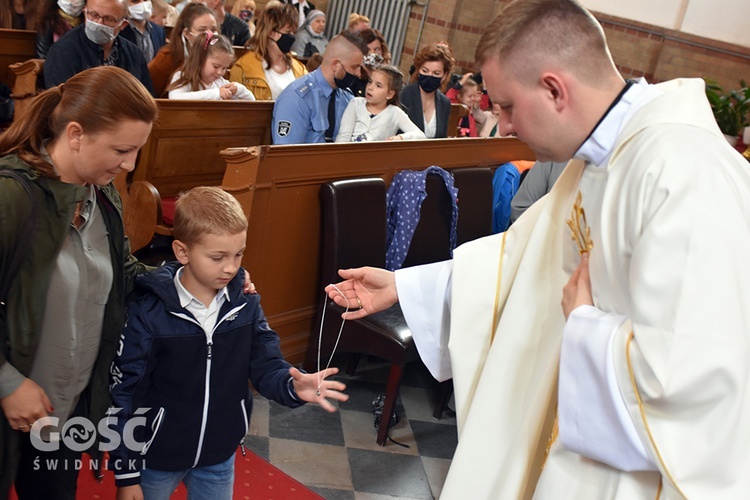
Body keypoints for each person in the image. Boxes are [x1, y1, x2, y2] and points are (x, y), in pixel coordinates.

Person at [325, 0, 750, 498]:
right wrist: (405, 286)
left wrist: (587, 327)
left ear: (554, 90)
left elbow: (697, 376)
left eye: (506, 106)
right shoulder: (597, 162)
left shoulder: (686, 174)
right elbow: (518, 263)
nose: (502, 126)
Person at [109, 186, 347, 499]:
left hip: (218, 453)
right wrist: (127, 474)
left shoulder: (245, 305)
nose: (231, 268)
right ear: (182, 252)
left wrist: (292, 386)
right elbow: (125, 392)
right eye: (217, 257)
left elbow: (266, 363)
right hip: (156, 455)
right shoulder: (149, 312)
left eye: (238, 255)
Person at [0, 66, 157, 499]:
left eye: (136, 151)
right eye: (122, 149)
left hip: (64, 412)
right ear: (75, 134)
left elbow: (123, 275)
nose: (129, 164)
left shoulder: (102, 194)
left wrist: (194, 280)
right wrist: (8, 383)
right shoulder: (11, 197)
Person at [271, 30, 366, 144]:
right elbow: (287, 155)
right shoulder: (297, 98)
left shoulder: (346, 97)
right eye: (354, 67)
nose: (359, 74)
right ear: (336, 64)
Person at [43, 0, 155, 95]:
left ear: (123, 24)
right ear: (84, 12)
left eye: (108, 19)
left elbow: (147, 98)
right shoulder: (63, 50)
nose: (99, 22)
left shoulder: (134, 54)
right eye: (93, 15)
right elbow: (61, 102)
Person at [228, 2, 306, 100]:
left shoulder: (300, 70)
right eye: (288, 32)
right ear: (270, 32)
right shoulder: (243, 69)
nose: (292, 37)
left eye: (293, 32)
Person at [335, 65, 424, 142]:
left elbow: (420, 135)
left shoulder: (395, 113)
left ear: (390, 94)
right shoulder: (355, 103)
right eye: (370, 82)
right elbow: (344, 135)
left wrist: (401, 137)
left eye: (378, 86)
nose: (370, 88)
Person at [148, 2, 217, 97]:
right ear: (186, 33)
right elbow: (147, 91)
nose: (210, 35)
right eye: (202, 30)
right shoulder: (167, 59)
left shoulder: (218, 58)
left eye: (213, 30)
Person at [169, 32, 255, 100]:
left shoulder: (220, 83)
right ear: (201, 59)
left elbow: (251, 102)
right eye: (216, 66)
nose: (220, 72)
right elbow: (175, 98)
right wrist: (216, 94)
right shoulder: (183, 76)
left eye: (224, 68)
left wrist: (239, 89)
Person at [400, 43, 453, 139]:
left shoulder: (445, 103)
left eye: (436, 73)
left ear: (444, 76)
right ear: (418, 70)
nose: (429, 76)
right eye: (425, 71)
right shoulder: (403, 95)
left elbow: (441, 139)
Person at [349, 27, 389, 98]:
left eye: (376, 49)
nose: (372, 53)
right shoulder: (353, 77)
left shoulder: (387, 78)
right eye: (368, 49)